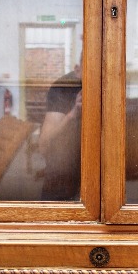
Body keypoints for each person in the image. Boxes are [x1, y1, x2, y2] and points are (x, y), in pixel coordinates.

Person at [39, 61, 81, 200]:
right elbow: (44, 144)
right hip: (63, 168)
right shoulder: (63, 88)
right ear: (77, 70)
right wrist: (72, 115)